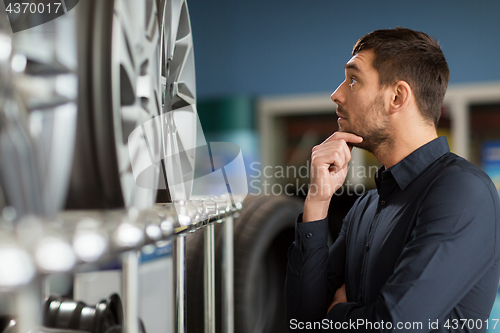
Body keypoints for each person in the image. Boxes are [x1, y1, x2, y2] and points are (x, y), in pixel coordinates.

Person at [285, 27, 500, 332]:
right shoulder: (366, 206)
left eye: (353, 80)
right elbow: (301, 323)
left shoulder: (463, 192)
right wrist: (318, 202)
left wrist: (334, 315)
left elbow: (394, 324)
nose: (337, 94)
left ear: (397, 96)